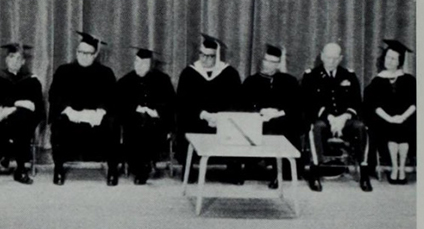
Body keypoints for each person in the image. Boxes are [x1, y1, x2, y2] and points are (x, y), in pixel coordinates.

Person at [48, 31, 120, 186]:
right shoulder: (64, 71)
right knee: (59, 121)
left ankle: (113, 170)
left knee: (113, 122)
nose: (83, 56)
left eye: (88, 53)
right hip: (71, 118)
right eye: (80, 52)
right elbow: (54, 95)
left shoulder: (105, 73)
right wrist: (69, 111)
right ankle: (59, 168)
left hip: (96, 120)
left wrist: (99, 112)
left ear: (95, 55)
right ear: (76, 52)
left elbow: (111, 98)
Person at [302, 42, 372, 192]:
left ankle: (364, 171)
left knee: (360, 127)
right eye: (328, 57)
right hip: (323, 120)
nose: (331, 61)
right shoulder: (311, 76)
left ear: (340, 58)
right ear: (322, 56)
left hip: (345, 120)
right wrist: (330, 118)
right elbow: (309, 103)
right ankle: (315, 171)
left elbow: (356, 102)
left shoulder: (349, 75)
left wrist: (344, 117)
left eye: (335, 58)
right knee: (316, 127)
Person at [175, 34, 243, 184]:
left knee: (235, 124)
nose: (205, 60)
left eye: (210, 56)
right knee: (184, 122)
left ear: (217, 56)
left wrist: (220, 117)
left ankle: (233, 168)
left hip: (222, 120)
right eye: (202, 55)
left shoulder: (230, 74)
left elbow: (236, 102)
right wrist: (203, 114)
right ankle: (189, 168)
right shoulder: (189, 73)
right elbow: (183, 102)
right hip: (196, 119)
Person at [0, 43, 45, 185]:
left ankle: (19, 167)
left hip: (21, 121)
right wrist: (19, 104)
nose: (15, 61)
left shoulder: (32, 81)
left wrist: (10, 109)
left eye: (19, 58)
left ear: (24, 61)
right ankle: (9, 156)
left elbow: (37, 107)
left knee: (22, 118)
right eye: (11, 57)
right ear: (6, 60)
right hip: (1, 125)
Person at [240, 44, 302, 189]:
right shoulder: (251, 81)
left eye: (273, 62)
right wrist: (260, 112)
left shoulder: (289, 81)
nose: (268, 64)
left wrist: (278, 113)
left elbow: (296, 105)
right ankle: (249, 166)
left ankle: (277, 172)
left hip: (282, 120)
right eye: (266, 60)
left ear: (279, 64)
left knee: (281, 127)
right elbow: (243, 104)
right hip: (257, 119)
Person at [116, 47, 175, 185]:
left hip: (156, 125)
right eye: (137, 62)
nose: (139, 66)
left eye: (144, 63)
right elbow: (119, 106)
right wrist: (136, 109)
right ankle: (141, 168)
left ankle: (143, 166)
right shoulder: (125, 81)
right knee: (138, 124)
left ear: (151, 65)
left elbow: (171, 104)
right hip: (133, 125)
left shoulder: (163, 80)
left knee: (148, 125)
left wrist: (155, 112)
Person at [364, 39, 416, 185]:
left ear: (399, 61)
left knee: (405, 129)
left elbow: (415, 103)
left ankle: (402, 168)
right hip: (384, 120)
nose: (389, 61)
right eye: (387, 57)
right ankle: (394, 168)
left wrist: (403, 117)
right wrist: (390, 118)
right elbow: (374, 105)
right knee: (392, 130)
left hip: (407, 118)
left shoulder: (409, 80)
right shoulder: (377, 81)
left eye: (393, 58)